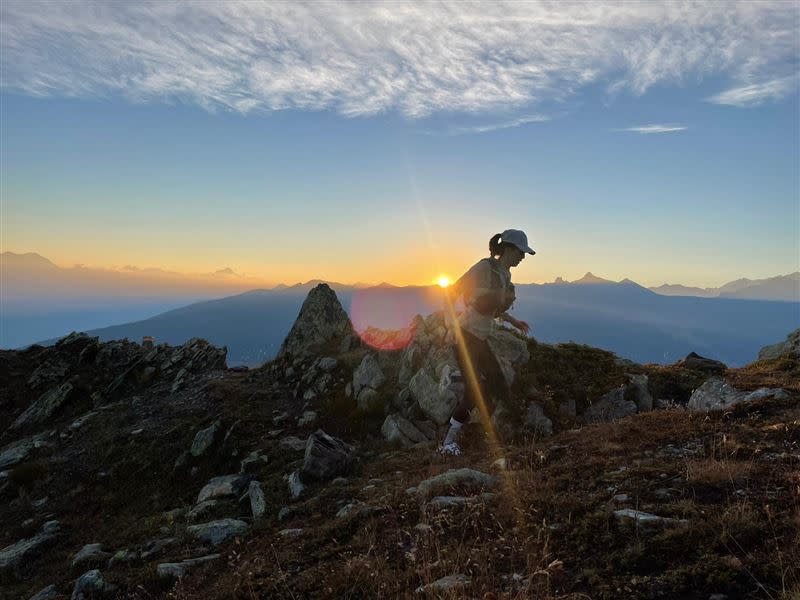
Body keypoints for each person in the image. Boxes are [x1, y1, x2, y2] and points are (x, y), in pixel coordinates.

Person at [440, 229, 535, 455]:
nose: (523, 257)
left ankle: (491, 434)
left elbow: (491, 305)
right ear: (509, 249)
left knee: (499, 385)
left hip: (480, 337)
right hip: (465, 335)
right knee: (475, 391)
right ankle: (447, 444)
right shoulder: (484, 267)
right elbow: (452, 291)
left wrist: (513, 320)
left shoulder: (505, 274)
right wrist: (449, 325)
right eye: (521, 252)